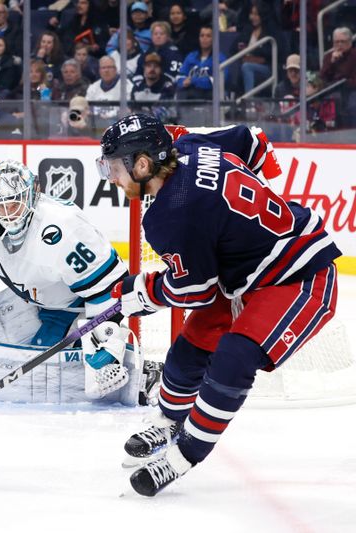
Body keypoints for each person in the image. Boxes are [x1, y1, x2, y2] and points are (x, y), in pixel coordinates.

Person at [97, 113, 340, 496]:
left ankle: (186, 454)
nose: (110, 177)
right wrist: (262, 211)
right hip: (245, 277)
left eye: (113, 167)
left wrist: (144, 292)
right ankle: (169, 421)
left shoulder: (169, 213)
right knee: (191, 345)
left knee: (233, 356)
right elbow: (253, 140)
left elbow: (196, 292)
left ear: (142, 164)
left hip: (300, 277)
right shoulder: (193, 146)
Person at [0, 160, 163, 406]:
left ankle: (143, 377)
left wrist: (104, 339)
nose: (8, 214)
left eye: (14, 204)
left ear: (32, 195)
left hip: (73, 307)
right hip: (34, 298)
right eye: (1, 205)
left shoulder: (63, 227)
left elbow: (110, 288)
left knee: (48, 379)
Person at [175, 25, 228, 100]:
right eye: (202, 36)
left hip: (210, 93)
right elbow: (180, 76)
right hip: (192, 92)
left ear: (214, 39)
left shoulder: (220, 58)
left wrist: (193, 81)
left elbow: (217, 81)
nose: (204, 39)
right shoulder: (191, 56)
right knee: (180, 92)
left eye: (208, 36)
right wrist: (183, 82)